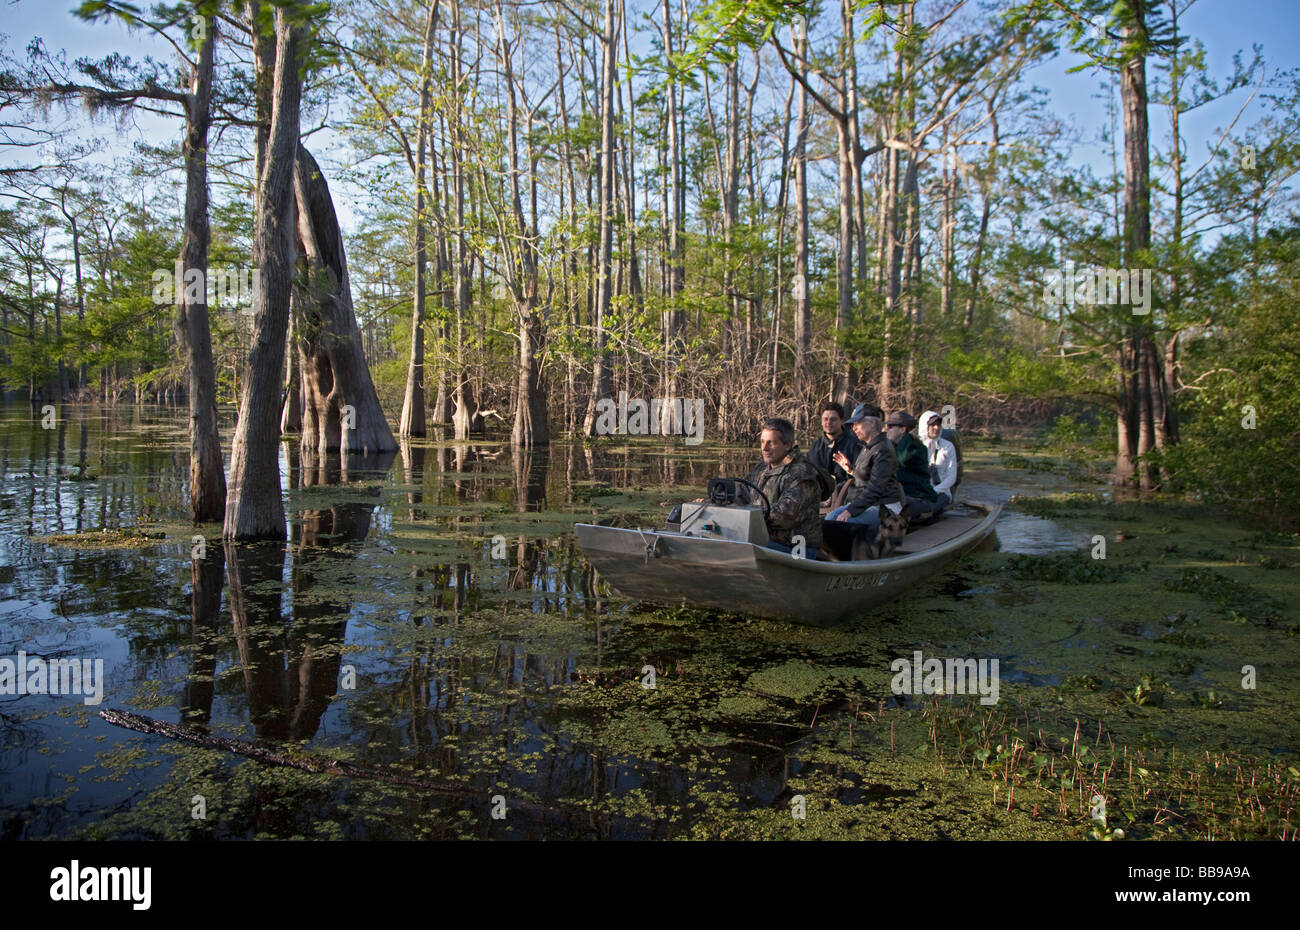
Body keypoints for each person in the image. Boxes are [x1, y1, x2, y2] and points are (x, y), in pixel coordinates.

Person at [731, 417, 825, 555]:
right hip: (765, 542)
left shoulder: (803, 475)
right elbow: (740, 493)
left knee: (739, 549)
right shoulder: (762, 469)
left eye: (771, 443)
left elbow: (784, 516)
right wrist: (714, 503)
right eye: (762, 442)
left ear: (787, 445)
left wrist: (744, 515)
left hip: (796, 549)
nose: (764, 448)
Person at [825, 405, 903, 528]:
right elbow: (867, 477)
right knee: (830, 519)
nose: (853, 428)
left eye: (857, 423)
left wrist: (850, 511)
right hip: (867, 504)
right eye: (852, 425)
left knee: (841, 524)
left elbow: (875, 488)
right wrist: (851, 469)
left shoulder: (883, 449)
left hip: (884, 507)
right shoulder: (868, 447)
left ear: (872, 423)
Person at [886, 410, 940, 520]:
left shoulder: (917, 449)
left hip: (921, 499)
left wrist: (905, 438)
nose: (887, 429)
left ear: (903, 429)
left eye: (891, 426)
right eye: (887, 425)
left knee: (888, 506)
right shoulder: (893, 447)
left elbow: (903, 459)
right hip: (903, 497)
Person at [807, 402, 862, 498]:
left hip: (847, 498)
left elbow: (861, 477)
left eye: (833, 419)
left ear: (841, 421)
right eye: (825, 419)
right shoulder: (815, 447)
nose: (828, 423)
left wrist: (851, 469)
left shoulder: (854, 445)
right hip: (819, 498)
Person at [917, 409, 957, 511]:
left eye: (938, 424)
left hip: (940, 492)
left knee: (928, 507)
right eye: (932, 425)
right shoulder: (915, 446)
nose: (936, 428)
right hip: (919, 491)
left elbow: (952, 477)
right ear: (925, 426)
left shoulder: (948, 446)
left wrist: (934, 491)